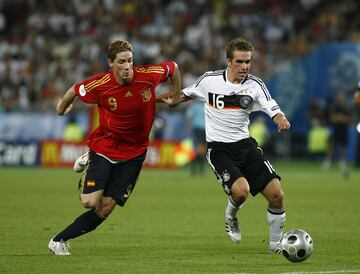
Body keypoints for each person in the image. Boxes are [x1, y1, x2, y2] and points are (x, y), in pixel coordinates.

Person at [48, 40, 181, 255]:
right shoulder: (100, 84)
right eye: (121, 62)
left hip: (135, 153)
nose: (127, 66)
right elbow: (74, 89)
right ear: (111, 63)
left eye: (130, 60)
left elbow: (173, 67)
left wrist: (175, 96)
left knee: (106, 208)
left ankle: (59, 240)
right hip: (105, 149)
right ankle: (88, 159)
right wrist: (62, 109)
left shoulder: (148, 75)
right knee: (90, 202)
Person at [159, 37, 291, 253]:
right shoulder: (209, 81)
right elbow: (181, 95)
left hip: (246, 146)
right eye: (240, 61)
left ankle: (275, 246)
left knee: (277, 195)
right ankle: (231, 216)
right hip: (219, 149)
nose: (245, 66)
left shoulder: (255, 85)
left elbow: (271, 106)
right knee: (241, 192)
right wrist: (157, 100)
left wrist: (279, 118)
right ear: (228, 61)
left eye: (248, 61)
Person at [322, 90, 351, 177]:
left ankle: (342, 162)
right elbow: (332, 118)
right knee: (331, 145)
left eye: (342, 95)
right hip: (335, 129)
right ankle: (328, 162)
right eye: (340, 95)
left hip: (343, 129)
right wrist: (341, 118)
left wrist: (340, 118)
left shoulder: (347, 107)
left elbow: (348, 119)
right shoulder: (335, 107)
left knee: (343, 146)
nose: (341, 97)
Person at [185, 101, 206, 176]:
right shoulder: (195, 105)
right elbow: (188, 117)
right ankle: (196, 169)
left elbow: (188, 116)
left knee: (200, 150)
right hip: (198, 129)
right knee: (199, 149)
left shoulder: (197, 105)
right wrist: (188, 129)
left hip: (204, 130)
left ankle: (197, 170)